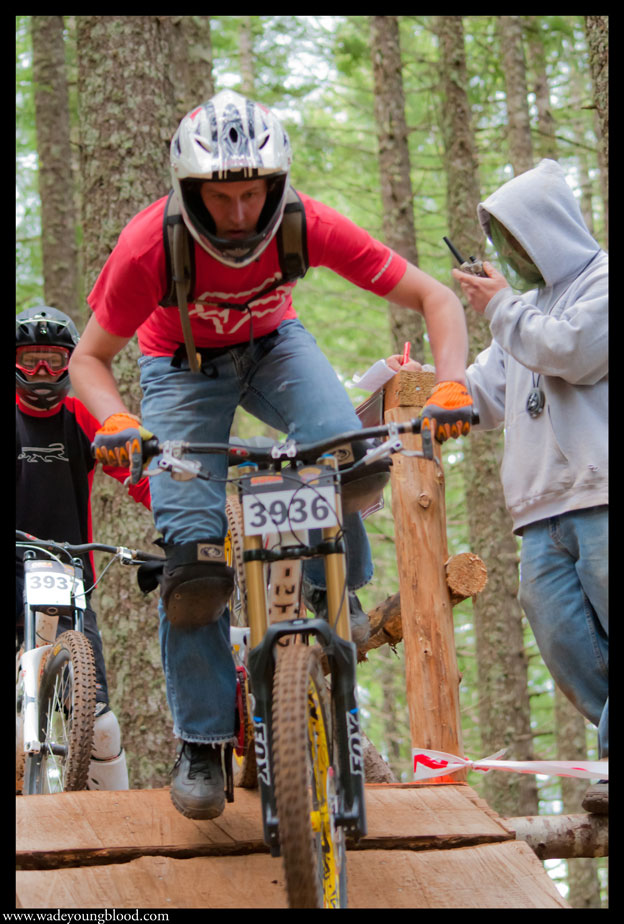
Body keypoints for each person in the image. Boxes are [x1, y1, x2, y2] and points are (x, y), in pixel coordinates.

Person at [68, 89, 474, 821]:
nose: (237, 215)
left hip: (276, 348)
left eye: (252, 194)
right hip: (181, 368)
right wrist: (118, 417)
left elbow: (435, 298)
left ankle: (337, 594)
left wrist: (450, 386)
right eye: (220, 198)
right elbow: (88, 360)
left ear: (275, 187)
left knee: (348, 457)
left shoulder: (304, 224)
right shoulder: (147, 246)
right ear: (190, 191)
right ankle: (202, 740)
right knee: (192, 564)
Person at [389, 158, 608, 813]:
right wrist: (424, 383)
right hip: (540, 514)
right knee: (566, 644)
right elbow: (480, 393)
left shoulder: (601, 281)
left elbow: (572, 350)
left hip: (602, 497)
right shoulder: (519, 312)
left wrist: (501, 308)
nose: (508, 257)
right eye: (502, 245)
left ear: (545, 232)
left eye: (515, 241)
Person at [16, 306, 151, 791]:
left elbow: (135, 474)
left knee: (99, 722)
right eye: (31, 361)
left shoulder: (80, 416)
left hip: (66, 577)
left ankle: (115, 826)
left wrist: (178, 518)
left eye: (53, 361)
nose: (43, 373)